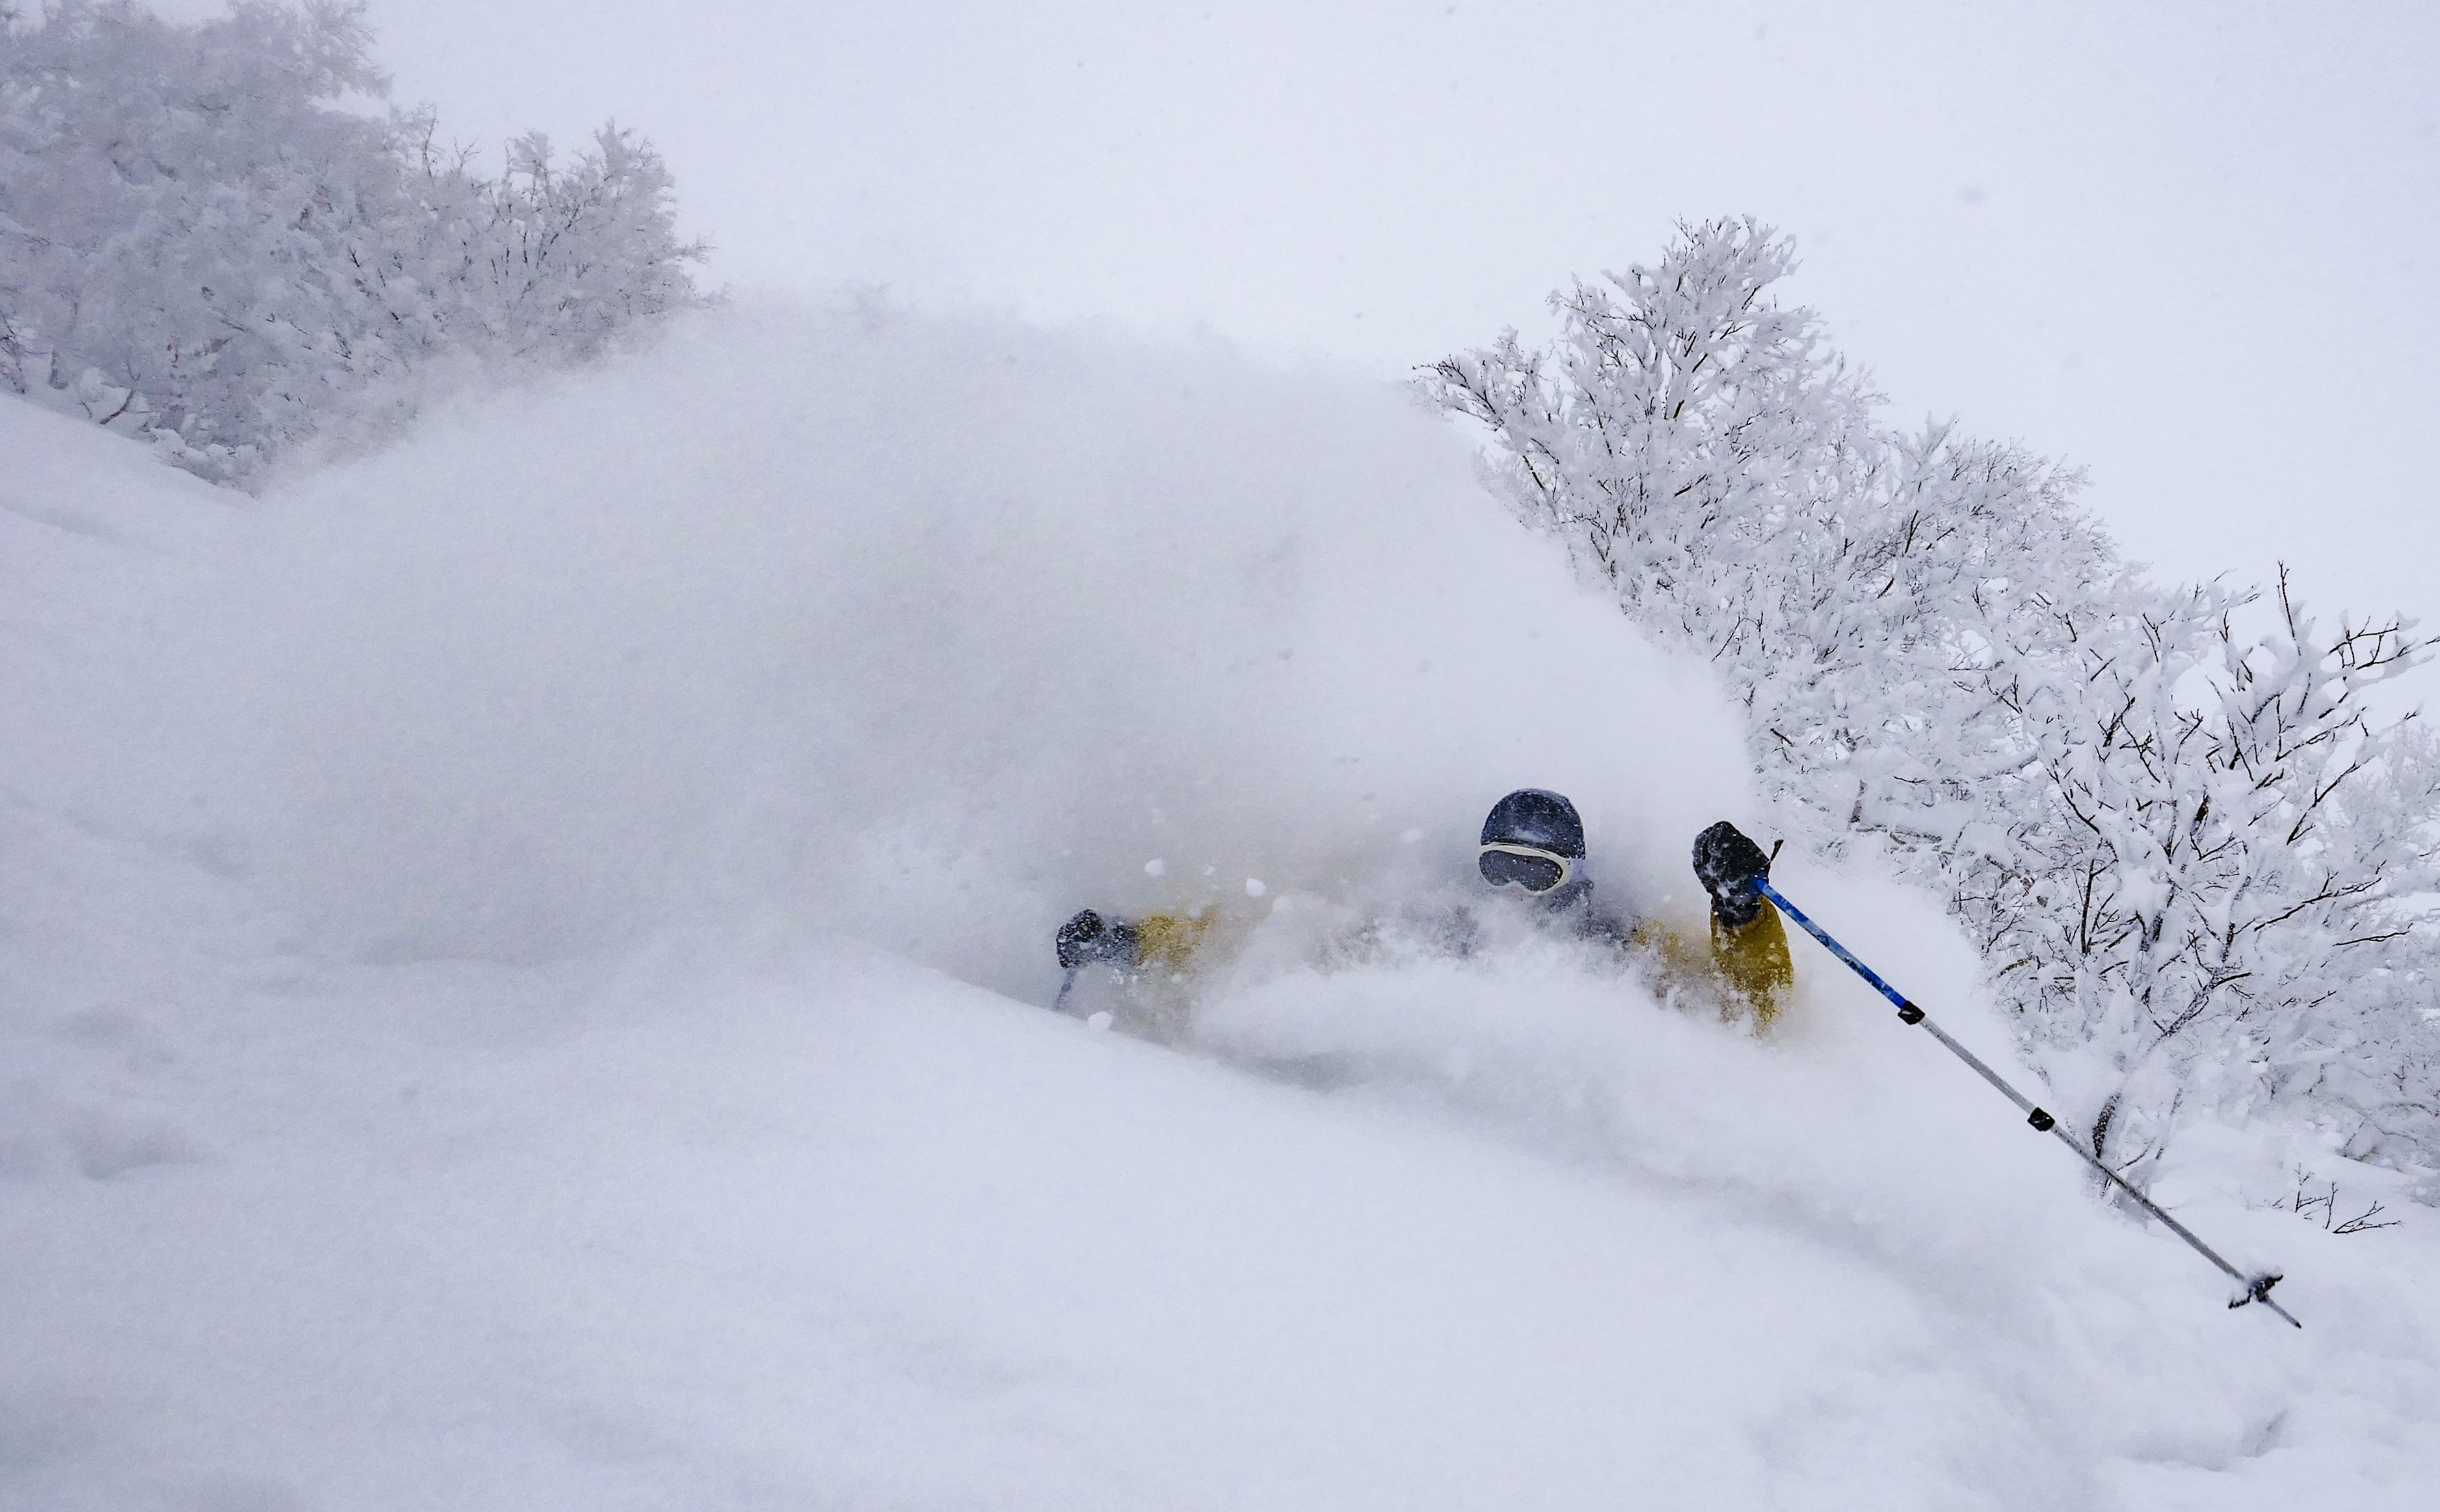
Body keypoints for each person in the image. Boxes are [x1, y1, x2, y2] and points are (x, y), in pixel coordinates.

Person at [1054, 789, 1796, 1028]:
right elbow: (1262, 940)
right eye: (1496, 868)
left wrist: (1740, 915)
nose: (1509, 891)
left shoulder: (1614, 941)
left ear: (1569, 881)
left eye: (1532, 875)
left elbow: (1748, 1009)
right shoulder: (1429, 923)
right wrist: (1134, 942)